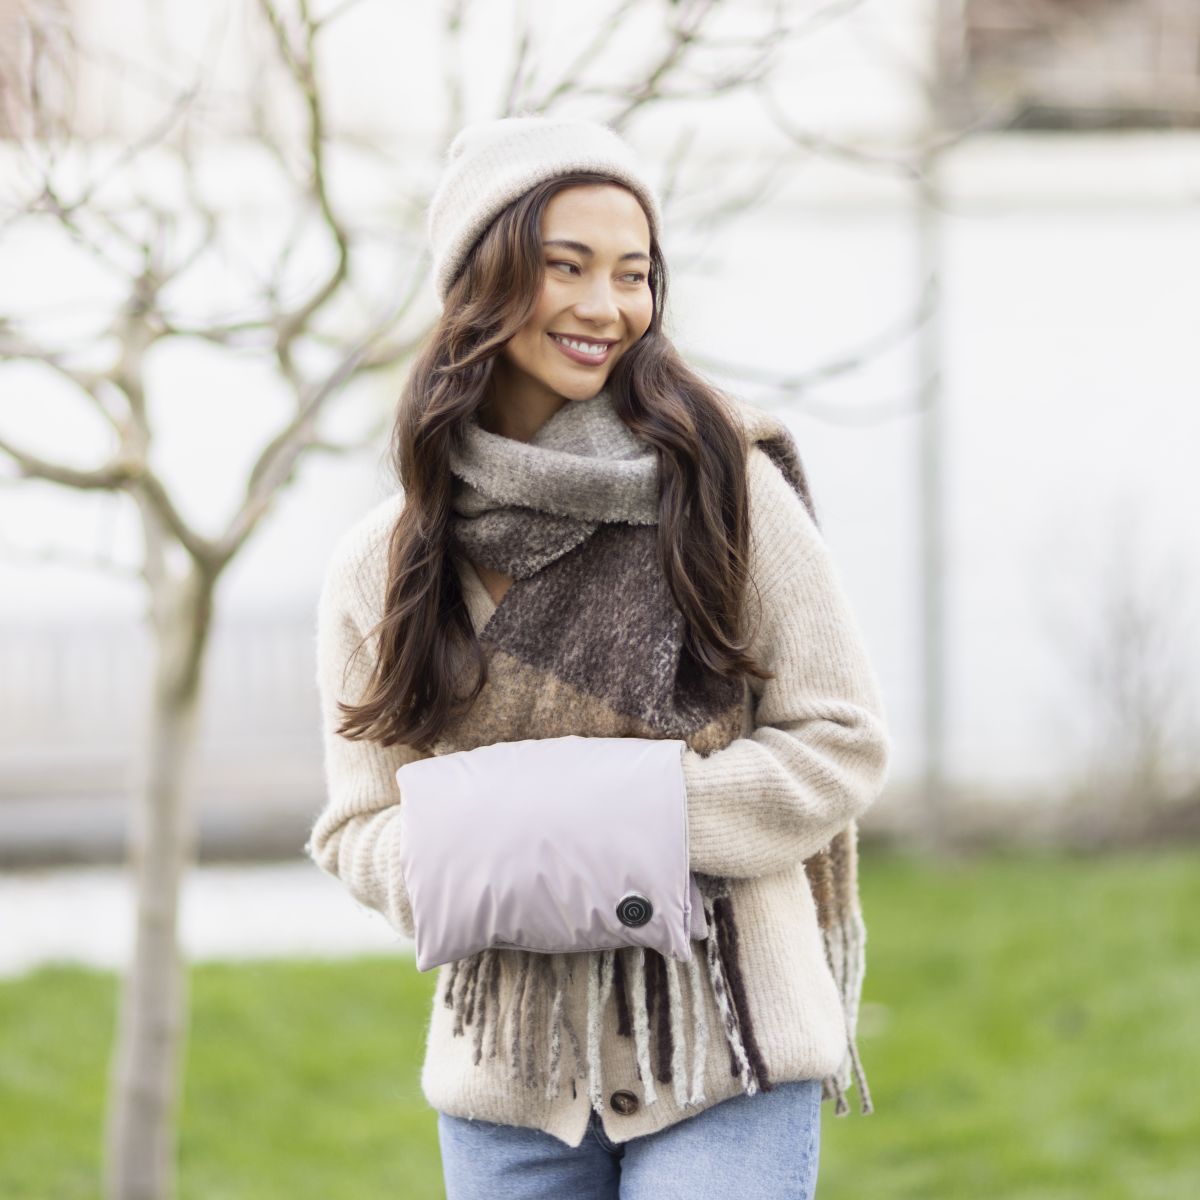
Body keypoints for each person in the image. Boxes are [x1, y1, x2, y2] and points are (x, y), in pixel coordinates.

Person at [304, 116, 892, 1200]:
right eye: (563, 267)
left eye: (633, 274)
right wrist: (503, 850)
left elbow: (842, 743)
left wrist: (638, 821)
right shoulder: (385, 564)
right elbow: (357, 827)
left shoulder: (722, 495)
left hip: (725, 1052)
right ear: (481, 282)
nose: (606, 307)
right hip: (509, 1084)